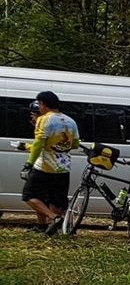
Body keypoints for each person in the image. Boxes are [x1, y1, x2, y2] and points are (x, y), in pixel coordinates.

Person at [21, 92, 79, 236]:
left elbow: (38, 144)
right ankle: (52, 232)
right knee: (56, 201)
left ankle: (54, 218)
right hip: (63, 168)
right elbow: (75, 144)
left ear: (42, 104)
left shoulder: (44, 119)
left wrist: (29, 163)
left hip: (45, 167)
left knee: (29, 195)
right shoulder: (71, 121)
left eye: (39, 104)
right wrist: (59, 146)